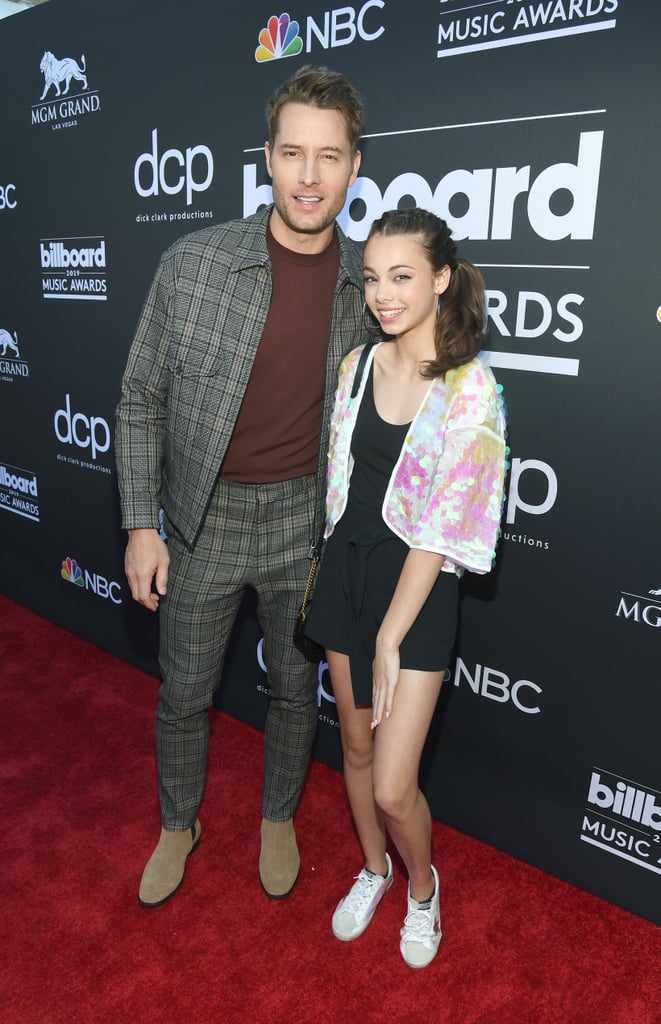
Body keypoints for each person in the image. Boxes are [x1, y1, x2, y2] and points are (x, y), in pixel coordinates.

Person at [114, 65, 366, 906]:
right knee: (184, 691)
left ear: (354, 168)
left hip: (307, 520)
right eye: (292, 153)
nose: (308, 175)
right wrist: (140, 524)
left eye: (327, 157)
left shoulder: (370, 288)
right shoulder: (193, 264)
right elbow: (139, 397)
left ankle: (276, 816)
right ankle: (178, 823)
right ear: (265, 158)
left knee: (297, 689)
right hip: (199, 518)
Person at [304, 208, 507, 968]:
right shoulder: (357, 365)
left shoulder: (469, 387)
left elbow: (442, 524)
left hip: (415, 591)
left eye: (402, 277)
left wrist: (390, 635)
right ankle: (372, 868)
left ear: (441, 278)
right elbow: (342, 483)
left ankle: (421, 888)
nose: (383, 295)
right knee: (353, 749)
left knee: (393, 786)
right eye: (372, 278)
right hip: (345, 572)